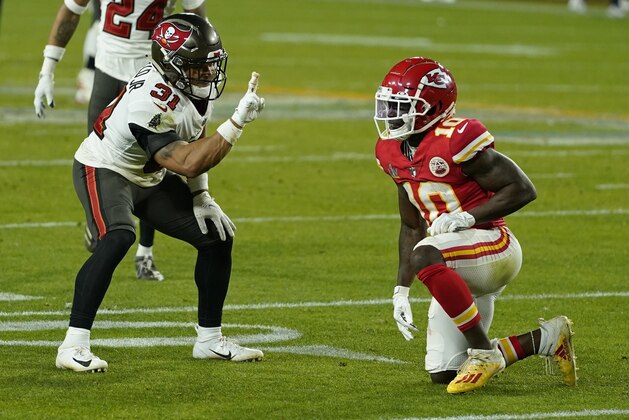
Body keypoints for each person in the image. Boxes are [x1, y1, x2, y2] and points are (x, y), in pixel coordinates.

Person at [54, 13, 266, 372]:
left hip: (147, 176)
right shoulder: (150, 101)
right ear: (171, 65)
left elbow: (195, 137)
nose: (207, 73)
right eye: (196, 66)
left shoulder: (191, 88)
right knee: (119, 236)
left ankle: (210, 340)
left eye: (210, 64)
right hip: (105, 168)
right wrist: (236, 124)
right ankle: (73, 344)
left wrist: (201, 197)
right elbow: (185, 161)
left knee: (216, 237)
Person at [373, 57, 577, 394]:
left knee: (425, 254)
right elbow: (411, 226)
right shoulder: (389, 152)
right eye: (389, 104)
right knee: (443, 372)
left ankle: (484, 353)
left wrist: (467, 216)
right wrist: (401, 290)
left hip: (493, 245)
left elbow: (523, 188)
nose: (391, 115)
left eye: (401, 106)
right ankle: (545, 338)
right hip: (453, 259)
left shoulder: (456, 138)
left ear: (433, 107)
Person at [34, 0, 207, 280]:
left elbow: (197, 23)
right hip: (107, 69)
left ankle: (145, 253)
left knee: (154, 164)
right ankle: (102, 221)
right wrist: (47, 69)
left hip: (153, 74)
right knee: (98, 156)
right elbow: (72, 10)